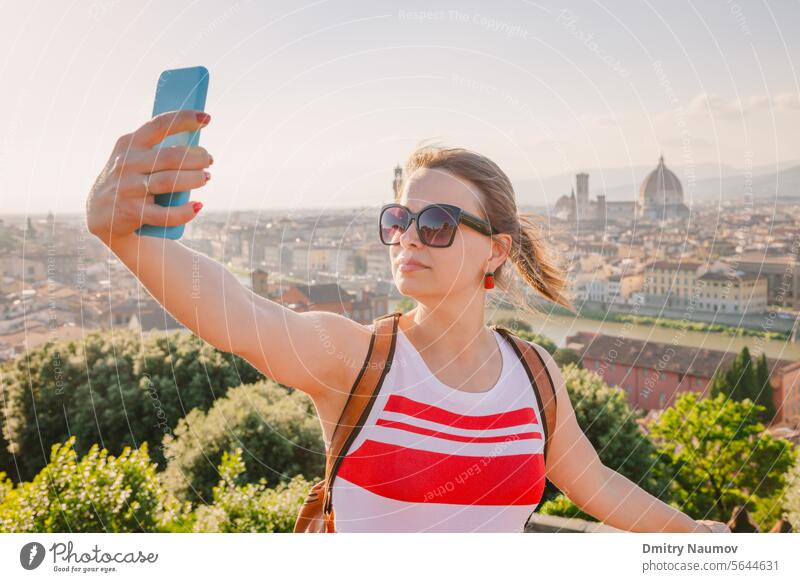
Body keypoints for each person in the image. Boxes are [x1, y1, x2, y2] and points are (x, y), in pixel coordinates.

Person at [85, 109, 730, 533]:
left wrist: (699, 538)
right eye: (399, 221)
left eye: (438, 224)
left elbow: (597, 486)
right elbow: (235, 313)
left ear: (496, 251)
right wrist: (122, 234)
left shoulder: (536, 378)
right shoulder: (354, 359)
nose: (410, 238)